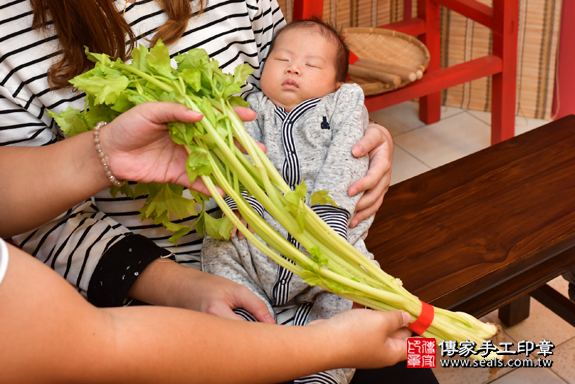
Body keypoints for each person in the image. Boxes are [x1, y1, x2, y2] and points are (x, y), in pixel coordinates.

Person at [1, 2, 438, 383]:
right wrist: (182, 286)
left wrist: (359, 139)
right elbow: (45, 235)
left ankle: (479, 347)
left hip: (309, 254)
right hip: (160, 289)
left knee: (407, 361)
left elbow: (286, 95)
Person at [0, 101, 412, 383]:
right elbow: (106, 344)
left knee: (416, 353)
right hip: (170, 312)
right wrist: (327, 347)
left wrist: (353, 139)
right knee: (396, 349)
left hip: (309, 296)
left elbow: (303, 89)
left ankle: (474, 351)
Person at [202, 19, 375, 384]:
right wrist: (239, 203)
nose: (294, 68)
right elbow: (237, 160)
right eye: (282, 59)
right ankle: (252, 341)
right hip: (257, 240)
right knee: (218, 252)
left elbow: (349, 156)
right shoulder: (251, 107)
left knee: (352, 287)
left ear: (336, 82)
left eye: (312, 65)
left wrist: (329, 217)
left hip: (328, 240)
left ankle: (326, 370)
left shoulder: (344, 103)